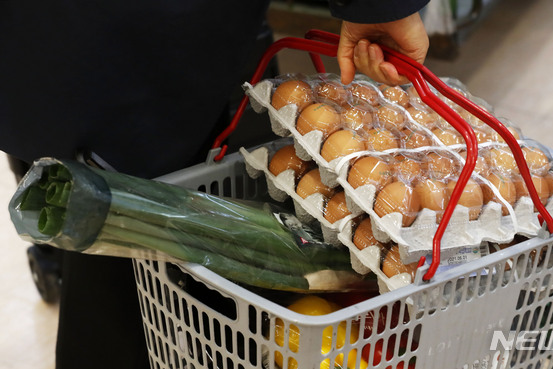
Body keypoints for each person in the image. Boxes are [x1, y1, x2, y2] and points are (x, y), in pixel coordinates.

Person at [0, 1, 429, 368]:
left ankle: (55, 249)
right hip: (149, 50)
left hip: (47, 47)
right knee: (123, 257)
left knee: (80, 189)